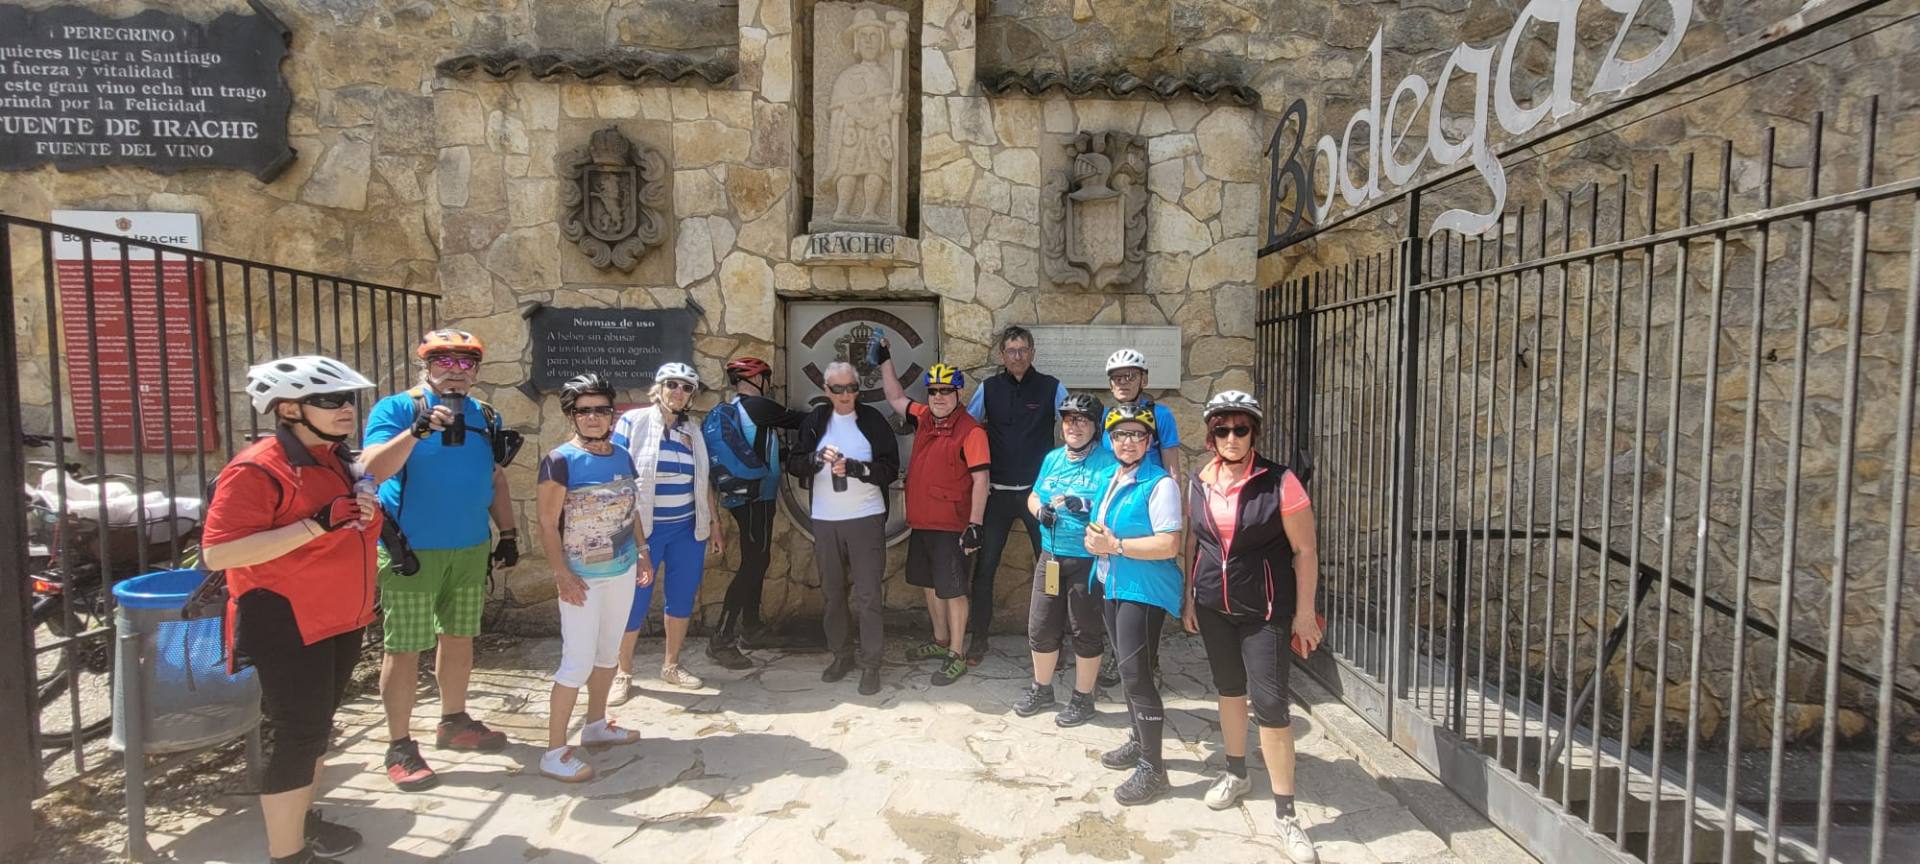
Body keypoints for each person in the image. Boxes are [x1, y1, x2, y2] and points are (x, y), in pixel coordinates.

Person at [202, 356, 381, 864]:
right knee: (298, 734)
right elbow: (218, 553)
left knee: (317, 728)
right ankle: (287, 854)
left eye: (348, 399)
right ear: (288, 409)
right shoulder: (258, 468)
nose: (345, 408)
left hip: (339, 617)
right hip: (288, 619)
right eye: (329, 400)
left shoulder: (333, 457)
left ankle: (300, 822)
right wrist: (316, 525)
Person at [361, 329, 518, 791]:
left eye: (465, 363)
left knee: (459, 638)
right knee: (404, 647)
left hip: (469, 547)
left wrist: (508, 534)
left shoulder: (485, 415)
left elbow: (495, 477)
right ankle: (399, 744)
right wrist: (418, 431)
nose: (455, 371)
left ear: (477, 371)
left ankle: (454, 721)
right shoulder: (397, 409)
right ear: (426, 366)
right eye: (443, 362)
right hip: (412, 550)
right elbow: (372, 468)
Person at [1182, 391, 1322, 861]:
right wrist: (1189, 597)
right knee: (1228, 692)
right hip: (1213, 607)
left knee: (1272, 707)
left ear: (1253, 433)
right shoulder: (1199, 480)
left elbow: (1305, 551)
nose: (1232, 437)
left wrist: (1304, 613)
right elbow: (1195, 542)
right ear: (1211, 436)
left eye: (1241, 429)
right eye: (1222, 429)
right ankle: (1236, 772)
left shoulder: (1280, 481)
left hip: (1265, 611)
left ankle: (1287, 814)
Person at [535, 374, 648, 783]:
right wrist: (561, 573)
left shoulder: (622, 455)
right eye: (585, 411)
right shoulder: (560, 460)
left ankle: (596, 724)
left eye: (602, 409)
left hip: (621, 569)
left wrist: (643, 551)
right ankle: (553, 751)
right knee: (576, 662)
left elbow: (631, 508)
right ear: (572, 416)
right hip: (582, 577)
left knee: (607, 653)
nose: (595, 417)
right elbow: (547, 523)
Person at [874, 339, 990, 686]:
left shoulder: (971, 431)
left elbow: (981, 479)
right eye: (934, 391)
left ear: (958, 394)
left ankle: (956, 653)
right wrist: (885, 360)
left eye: (946, 391)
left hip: (952, 525)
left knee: (953, 590)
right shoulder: (924, 417)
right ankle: (940, 640)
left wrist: (975, 524)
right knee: (928, 585)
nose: (939, 397)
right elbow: (895, 397)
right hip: (922, 521)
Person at [1085, 405, 1185, 806]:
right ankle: (1138, 740)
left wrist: (1116, 546)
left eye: (1137, 435)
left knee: (1138, 676)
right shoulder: (1113, 477)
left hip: (1141, 590)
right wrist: (1095, 541)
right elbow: (1102, 529)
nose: (1128, 442)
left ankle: (1153, 769)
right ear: (1110, 441)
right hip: (1113, 584)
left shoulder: (1160, 484)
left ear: (1149, 441)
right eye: (1120, 435)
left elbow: (1169, 544)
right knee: (1129, 675)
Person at [785, 360, 900, 695]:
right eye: (838, 389)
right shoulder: (816, 421)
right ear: (826, 390)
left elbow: (890, 468)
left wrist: (858, 469)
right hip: (826, 519)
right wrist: (815, 459)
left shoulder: (873, 420)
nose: (846, 394)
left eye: (852, 388)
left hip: (866, 517)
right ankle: (841, 655)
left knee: (868, 595)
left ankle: (871, 664)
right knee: (833, 593)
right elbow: (794, 463)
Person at [612, 362, 725, 695]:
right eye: (672, 384)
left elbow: (703, 480)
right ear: (659, 387)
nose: (678, 391)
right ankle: (623, 672)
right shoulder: (633, 421)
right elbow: (617, 475)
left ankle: (671, 665)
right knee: (634, 600)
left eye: (686, 387)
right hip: (644, 530)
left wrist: (714, 522)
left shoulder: (694, 430)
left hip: (687, 530)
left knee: (681, 597)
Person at [963, 326, 1068, 665]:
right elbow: (967, 427)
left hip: (1038, 497)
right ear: (1002, 355)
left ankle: (1055, 640)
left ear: (1032, 352)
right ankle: (979, 637)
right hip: (998, 495)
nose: (1018, 356)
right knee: (985, 568)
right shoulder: (988, 388)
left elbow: (1075, 426)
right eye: (1011, 351)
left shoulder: (1051, 387)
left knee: (1052, 569)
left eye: (1023, 350)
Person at [702, 357, 809, 670]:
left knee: (757, 560)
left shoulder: (741, 410)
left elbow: (768, 451)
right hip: (756, 497)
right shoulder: (757, 406)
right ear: (757, 379)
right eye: (766, 377)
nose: (769, 384)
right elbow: (800, 420)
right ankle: (721, 638)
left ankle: (751, 627)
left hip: (749, 496)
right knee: (753, 563)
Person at [1014, 393, 1111, 727]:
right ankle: (1041, 689)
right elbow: (1033, 495)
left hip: (1087, 559)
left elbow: (1114, 507)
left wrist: (1084, 506)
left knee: (1085, 630)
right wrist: (1039, 511)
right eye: (1069, 419)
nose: (1075, 426)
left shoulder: (1108, 463)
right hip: (1052, 556)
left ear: (1096, 427)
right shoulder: (1053, 458)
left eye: (1083, 420)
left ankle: (1084, 698)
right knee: (1041, 626)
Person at [1097, 347, 1183, 688]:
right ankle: (1118, 654)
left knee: (1145, 588)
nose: (1122, 382)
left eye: (1129, 376)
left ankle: (1150, 662)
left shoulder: (1161, 415)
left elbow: (1172, 464)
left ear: (1143, 379)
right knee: (1113, 586)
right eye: (1116, 377)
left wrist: (1175, 509)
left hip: (1150, 506)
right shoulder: (1107, 416)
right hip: (1117, 502)